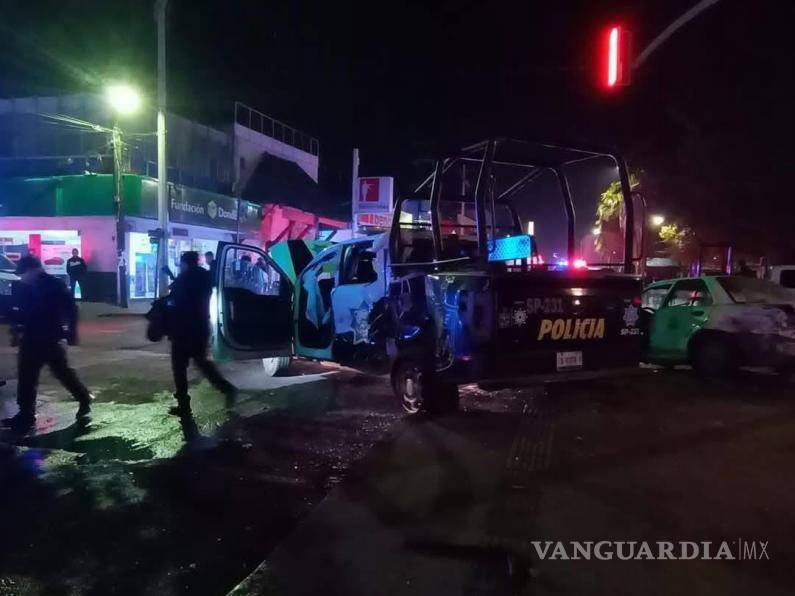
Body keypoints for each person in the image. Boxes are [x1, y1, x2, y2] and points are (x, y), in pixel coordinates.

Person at [1, 256, 93, 432]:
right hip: (30, 337)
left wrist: (70, 333)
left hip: (50, 337)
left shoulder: (54, 284)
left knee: (62, 372)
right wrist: (15, 331)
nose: (22, 277)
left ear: (33, 269)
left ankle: (83, 398)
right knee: (26, 375)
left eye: (24, 273)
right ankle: (26, 414)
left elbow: (71, 308)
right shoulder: (22, 287)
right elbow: (17, 312)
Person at [167, 251, 237, 417]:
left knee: (179, 368)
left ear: (185, 263)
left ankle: (183, 404)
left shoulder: (185, 278)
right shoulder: (205, 276)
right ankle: (227, 388)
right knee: (203, 364)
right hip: (200, 327)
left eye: (181, 263)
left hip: (183, 328)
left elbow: (175, 298)